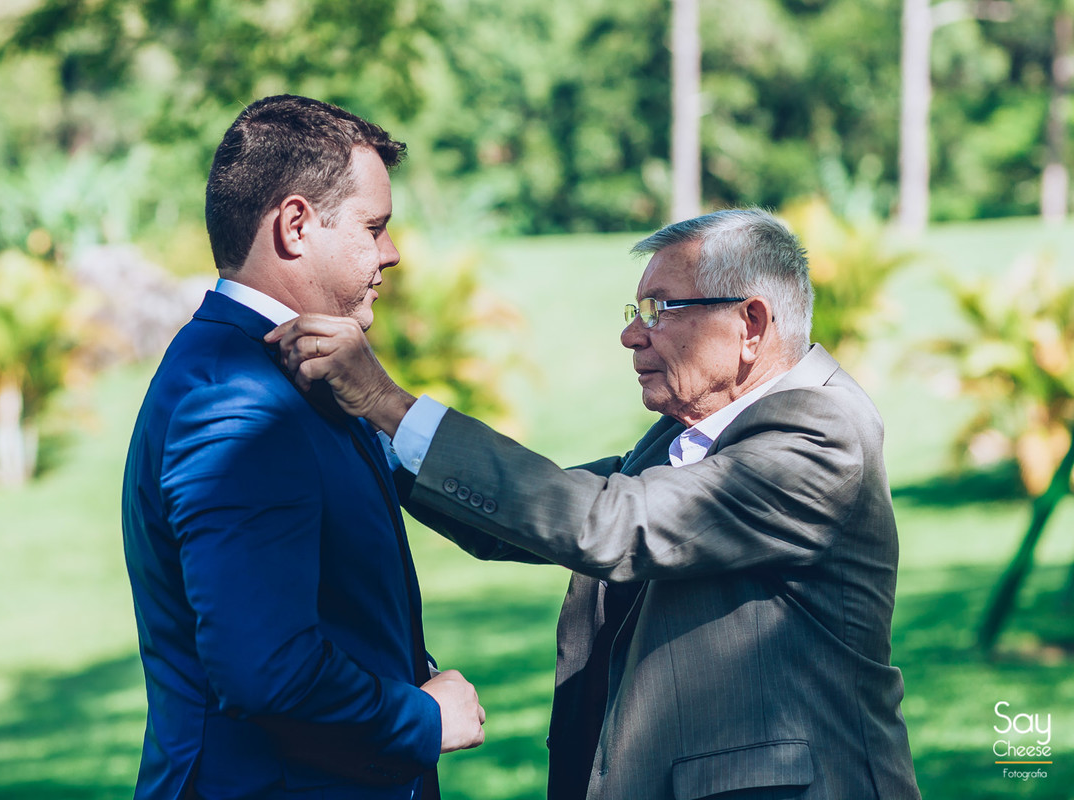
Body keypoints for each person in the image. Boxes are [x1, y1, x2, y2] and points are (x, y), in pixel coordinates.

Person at [269, 208, 921, 800]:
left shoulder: (820, 432)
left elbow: (610, 524)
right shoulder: (693, 432)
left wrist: (388, 402)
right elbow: (531, 521)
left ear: (749, 323)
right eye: (635, 310)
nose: (631, 336)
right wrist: (369, 431)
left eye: (659, 310)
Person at [121, 94, 484, 800]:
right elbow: (265, 666)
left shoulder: (283, 370)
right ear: (295, 225)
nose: (392, 252)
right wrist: (420, 717)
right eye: (373, 227)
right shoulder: (235, 399)